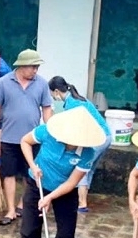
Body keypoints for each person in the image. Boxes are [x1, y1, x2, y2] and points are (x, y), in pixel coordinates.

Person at [11, 106, 106, 238]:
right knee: (29, 232)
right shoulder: (48, 131)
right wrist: (33, 165)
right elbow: (25, 142)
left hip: (64, 192)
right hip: (36, 184)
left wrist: (50, 197)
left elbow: (72, 183)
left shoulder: (87, 153)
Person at [0, 49, 53, 226]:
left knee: (29, 175)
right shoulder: (3, 83)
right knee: (8, 174)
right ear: (22, 66)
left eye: (37, 67)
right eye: (33, 67)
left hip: (32, 140)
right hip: (9, 138)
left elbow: (47, 109)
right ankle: (10, 210)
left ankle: (23, 205)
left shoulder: (42, 84)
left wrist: (51, 131)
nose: (36, 70)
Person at [48, 76, 113, 213]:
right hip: (105, 136)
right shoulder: (77, 99)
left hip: (97, 138)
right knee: (89, 168)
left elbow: (76, 129)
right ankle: (83, 201)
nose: (53, 97)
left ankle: (82, 203)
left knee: (81, 166)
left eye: (52, 94)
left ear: (56, 91)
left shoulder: (73, 104)